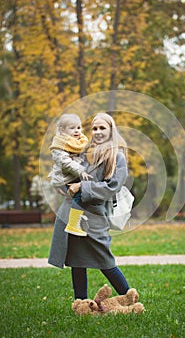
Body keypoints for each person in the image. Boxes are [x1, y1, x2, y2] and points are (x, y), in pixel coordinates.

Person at [48, 112, 130, 300]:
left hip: (95, 216)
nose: (98, 132)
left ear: (111, 130)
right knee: (77, 260)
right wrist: (66, 185)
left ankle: (128, 296)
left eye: (103, 128)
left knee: (105, 259)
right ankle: (81, 303)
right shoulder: (83, 152)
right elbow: (68, 172)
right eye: (94, 128)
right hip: (74, 215)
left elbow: (112, 187)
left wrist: (81, 186)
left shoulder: (117, 157)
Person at [48, 113, 90, 236]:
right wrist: (81, 170)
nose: (77, 131)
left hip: (73, 175)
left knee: (85, 193)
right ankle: (73, 224)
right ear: (62, 130)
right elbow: (65, 162)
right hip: (65, 178)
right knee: (79, 195)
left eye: (78, 127)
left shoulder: (78, 142)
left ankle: (78, 217)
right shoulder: (59, 144)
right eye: (72, 128)